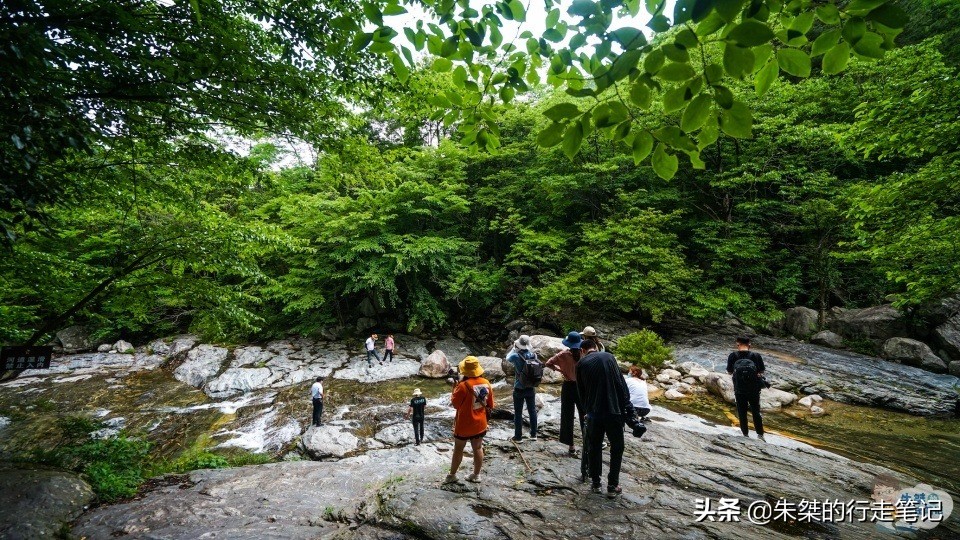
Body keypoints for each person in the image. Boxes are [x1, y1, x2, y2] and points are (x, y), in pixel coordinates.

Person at [576, 338, 634, 498]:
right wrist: (627, 409)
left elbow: (581, 392)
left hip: (594, 413)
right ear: (596, 348)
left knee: (594, 447)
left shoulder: (580, 364)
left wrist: (586, 411)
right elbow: (621, 384)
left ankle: (595, 482)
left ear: (582, 351)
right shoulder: (609, 357)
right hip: (614, 411)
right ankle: (612, 485)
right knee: (617, 447)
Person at [445, 356, 494, 484]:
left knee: (458, 449)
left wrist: (454, 389)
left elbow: (455, 405)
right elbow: (490, 404)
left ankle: (452, 475)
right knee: (478, 448)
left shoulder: (462, 386)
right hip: (480, 423)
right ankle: (476, 475)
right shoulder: (486, 383)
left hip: (464, 424)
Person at [545, 331, 585, 457]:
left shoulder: (562, 355)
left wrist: (559, 369)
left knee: (567, 415)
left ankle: (571, 446)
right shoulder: (583, 354)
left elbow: (548, 363)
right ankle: (588, 442)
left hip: (568, 386)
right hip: (581, 387)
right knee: (584, 414)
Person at [726, 336, 766, 442]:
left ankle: (745, 435)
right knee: (756, 411)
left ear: (737, 344)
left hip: (739, 389)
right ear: (750, 345)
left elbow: (729, 371)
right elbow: (761, 371)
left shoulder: (733, 356)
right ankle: (760, 435)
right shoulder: (756, 356)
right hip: (754, 389)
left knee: (742, 412)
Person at [506, 334, 539, 442]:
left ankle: (518, 437)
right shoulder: (533, 355)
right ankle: (534, 434)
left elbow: (507, 358)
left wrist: (514, 348)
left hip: (519, 388)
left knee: (518, 413)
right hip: (530, 387)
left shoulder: (515, 356)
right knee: (532, 411)